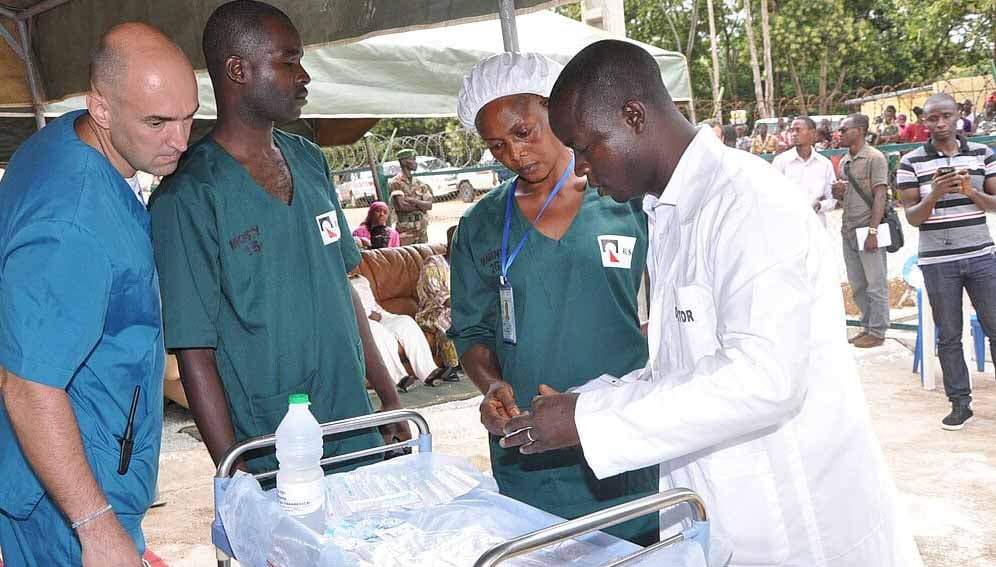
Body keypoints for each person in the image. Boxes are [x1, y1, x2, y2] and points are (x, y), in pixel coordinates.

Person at [501, 39, 923, 566]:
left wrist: (593, 423)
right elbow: (685, 368)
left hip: (795, 528)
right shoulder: (669, 213)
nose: (582, 168)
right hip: (723, 513)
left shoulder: (748, 202)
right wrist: (583, 404)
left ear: (634, 116)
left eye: (586, 147)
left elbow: (764, 378)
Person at [150, 0, 409, 477]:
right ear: (237, 70)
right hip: (272, 445)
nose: (304, 76)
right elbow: (194, 351)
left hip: (354, 427)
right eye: (289, 62)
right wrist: (233, 469)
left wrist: (388, 399)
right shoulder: (189, 197)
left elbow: (341, 288)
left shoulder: (310, 162)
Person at [0, 23, 197, 567]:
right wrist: (95, 526)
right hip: (65, 499)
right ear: (102, 109)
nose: (180, 140)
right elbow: (29, 388)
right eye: (157, 122)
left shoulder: (68, 140)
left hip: (68, 473)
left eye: (188, 116)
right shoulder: (74, 224)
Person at [449, 51, 659, 545]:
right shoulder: (482, 224)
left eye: (523, 132)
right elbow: (473, 331)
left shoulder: (625, 200)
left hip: (620, 435)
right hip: (528, 447)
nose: (515, 155)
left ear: (555, 110)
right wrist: (492, 386)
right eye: (496, 145)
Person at [897, 93, 996, 431]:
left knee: (995, 326)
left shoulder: (983, 154)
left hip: (981, 255)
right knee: (950, 335)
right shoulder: (910, 161)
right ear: (923, 121)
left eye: (946, 116)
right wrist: (935, 194)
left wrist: (970, 191)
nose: (939, 124)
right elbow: (912, 218)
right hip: (938, 261)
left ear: (958, 116)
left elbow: (995, 204)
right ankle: (960, 403)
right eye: (932, 118)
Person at [832, 113, 890, 348]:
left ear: (859, 130)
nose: (840, 134)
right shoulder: (846, 160)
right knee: (857, 284)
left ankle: (878, 331)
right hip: (849, 229)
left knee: (876, 284)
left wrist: (873, 231)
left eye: (844, 130)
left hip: (868, 228)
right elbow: (848, 196)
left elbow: (880, 196)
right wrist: (839, 193)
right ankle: (867, 325)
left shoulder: (874, 158)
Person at [350, 274, 454, 392]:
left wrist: (379, 314)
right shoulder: (334, 283)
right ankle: (398, 379)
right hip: (357, 321)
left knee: (405, 321)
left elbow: (374, 306)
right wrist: (368, 315)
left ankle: (429, 372)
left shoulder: (360, 278)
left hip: (379, 315)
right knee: (379, 332)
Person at [772, 116, 837, 227]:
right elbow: (772, 194)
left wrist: (820, 205)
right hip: (790, 224)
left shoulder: (824, 164)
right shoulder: (781, 162)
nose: (793, 134)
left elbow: (832, 199)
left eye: (798, 130)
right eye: (792, 130)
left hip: (817, 224)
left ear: (812, 133)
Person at [416, 224, 460, 369]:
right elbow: (443, 300)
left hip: (459, 309)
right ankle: (452, 366)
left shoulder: (466, 265)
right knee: (448, 318)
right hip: (430, 313)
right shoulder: (432, 264)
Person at [390, 149, 433, 244]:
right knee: (408, 257)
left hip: (422, 228)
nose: (415, 163)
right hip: (406, 229)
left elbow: (429, 205)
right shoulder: (396, 183)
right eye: (412, 159)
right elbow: (402, 206)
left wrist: (413, 201)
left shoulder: (419, 183)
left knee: (424, 256)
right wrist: (421, 206)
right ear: (404, 162)